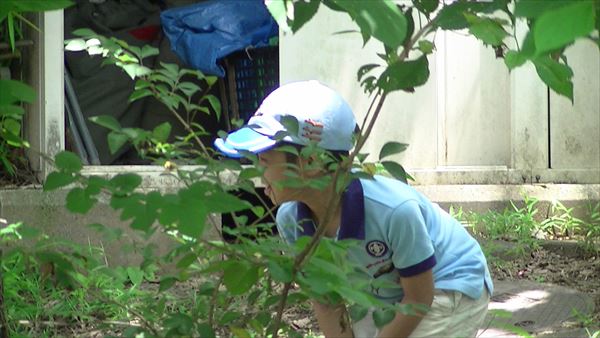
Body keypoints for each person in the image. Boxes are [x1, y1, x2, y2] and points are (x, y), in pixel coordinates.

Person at [214, 80, 493, 337]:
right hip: (387, 291)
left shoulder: (393, 210)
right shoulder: (291, 220)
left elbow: (419, 298)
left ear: (311, 162)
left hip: (450, 283)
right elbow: (327, 303)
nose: (258, 170)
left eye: (265, 158)